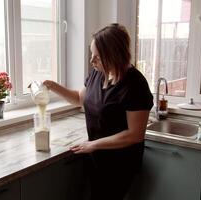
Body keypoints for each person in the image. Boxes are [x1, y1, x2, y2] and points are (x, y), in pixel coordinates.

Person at [43, 23, 153, 200]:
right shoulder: (98, 73)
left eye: (97, 57)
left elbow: (135, 134)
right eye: (91, 55)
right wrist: (53, 86)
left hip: (120, 163)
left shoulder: (135, 85)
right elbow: (80, 99)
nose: (91, 61)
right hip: (97, 157)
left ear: (114, 55)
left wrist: (93, 144)